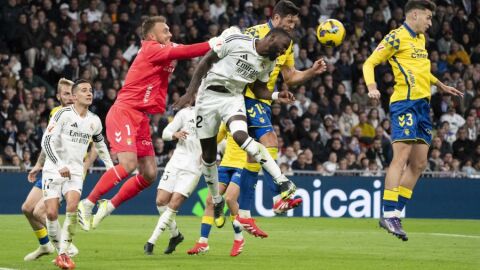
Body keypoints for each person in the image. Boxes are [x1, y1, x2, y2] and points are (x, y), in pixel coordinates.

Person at [77, 16, 224, 230]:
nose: (170, 34)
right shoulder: (150, 48)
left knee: (149, 174)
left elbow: (186, 48)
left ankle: (108, 205)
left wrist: (217, 46)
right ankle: (87, 203)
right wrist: (214, 42)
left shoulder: (165, 46)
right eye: (165, 31)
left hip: (141, 117)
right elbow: (183, 52)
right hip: (125, 111)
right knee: (127, 165)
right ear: (152, 36)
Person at [175, 27, 295, 254]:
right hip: (208, 98)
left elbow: (259, 90)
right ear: (270, 38)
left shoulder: (268, 63)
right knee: (209, 157)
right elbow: (206, 61)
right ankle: (216, 199)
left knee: (241, 136)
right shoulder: (236, 39)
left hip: (233, 100)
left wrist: (278, 95)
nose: (280, 54)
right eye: (280, 48)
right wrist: (190, 93)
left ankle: (282, 181)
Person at [363, 0, 462, 241]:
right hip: (404, 103)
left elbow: (420, 70)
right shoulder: (396, 37)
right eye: (428, 18)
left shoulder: (419, 40)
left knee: (419, 163)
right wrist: (373, 87)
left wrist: (440, 84)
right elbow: (370, 62)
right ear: (415, 15)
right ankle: (388, 213)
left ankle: (395, 213)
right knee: (401, 157)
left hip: (422, 106)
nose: (430, 23)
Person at [239, 0, 326, 217]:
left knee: (254, 156)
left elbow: (290, 77)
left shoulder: (287, 43)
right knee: (269, 140)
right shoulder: (253, 34)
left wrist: (311, 72)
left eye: (295, 22)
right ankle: (278, 196)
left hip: (264, 100)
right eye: (289, 21)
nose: (292, 26)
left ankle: (244, 212)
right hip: (243, 97)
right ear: (276, 18)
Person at [41, 80, 113, 269]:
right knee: (51, 212)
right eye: (84, 90)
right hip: (53, 168)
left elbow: (100, 145)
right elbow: (46, 142)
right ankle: (60, 251)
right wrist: (59, 164)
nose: (89, 93)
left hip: (75, 171)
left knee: (72, 206)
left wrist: (110, 167)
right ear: (74, 97)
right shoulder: (62, 115)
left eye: (90, 90)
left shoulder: (94, 121)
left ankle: (63, 255)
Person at [22, 78, 94, 261]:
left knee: (40, 212)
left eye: (72, 93)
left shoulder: (84, 116)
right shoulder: (56, 113)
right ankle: (45, 245)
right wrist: (39, 164)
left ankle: (66, 250)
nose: (70, 97)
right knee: (27, 208)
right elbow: (49, 142)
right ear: (58, 96)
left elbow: (95, 147)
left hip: (68, 172)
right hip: (51, 167)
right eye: (66, 93)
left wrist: (84, 168)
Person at [143, 106, 201, 255]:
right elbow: (165, 134)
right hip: (176, 162)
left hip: (193, 168)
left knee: (174, 204)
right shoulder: (185, 113)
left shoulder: (214, 114)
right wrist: (175, 134)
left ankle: (151, 241)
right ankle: (176, 236)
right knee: (161, 201)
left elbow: (219, 141)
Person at [186, 123, 248, 256]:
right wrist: (203, 153)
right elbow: (216, 140)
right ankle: (203, 242)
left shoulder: (250, 120)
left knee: (230, 199)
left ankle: (239, 238)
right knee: (209, 200)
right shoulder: (228, 120)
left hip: (242, 166)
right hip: (225, 166)